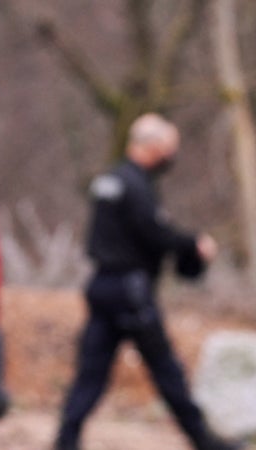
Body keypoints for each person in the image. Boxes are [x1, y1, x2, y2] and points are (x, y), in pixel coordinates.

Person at [54, 113, 239, 450]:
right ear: (151, 146)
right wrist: (193, 245)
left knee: (91, 371)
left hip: (102, 287)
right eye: (168, 148)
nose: (171, 156)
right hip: (130, 292)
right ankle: (204, 440)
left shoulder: (110, 180)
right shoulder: (136, 185)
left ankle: (66, 439)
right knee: (165, 368)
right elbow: (154, 233)